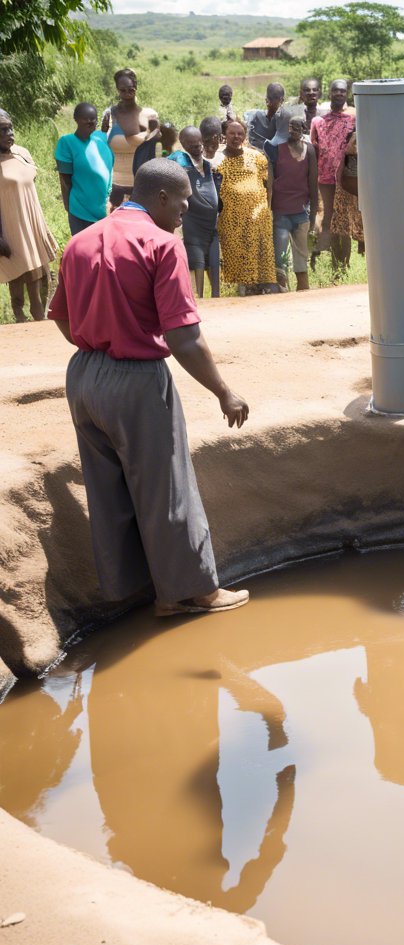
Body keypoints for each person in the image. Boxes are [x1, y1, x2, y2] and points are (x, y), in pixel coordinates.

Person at [47, 159, 249, 616]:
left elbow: (59, 315)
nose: (185, 211)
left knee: (109, 491)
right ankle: (191, 592)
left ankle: (134, 590)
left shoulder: (79, 241)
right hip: (136, 380)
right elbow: (183, 337)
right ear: (161, 197)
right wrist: (224, 391)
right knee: (167, 487)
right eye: (182, 202)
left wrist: (95, 346)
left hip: (82, 378)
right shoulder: (162, 244)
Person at [0, 109, 57, 322]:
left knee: (38, 269)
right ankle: (19, 317)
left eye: (10, 128)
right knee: (16, 269)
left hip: (31, 220)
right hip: (9, 223)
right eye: (2, 130)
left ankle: (39, 316)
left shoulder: (22, 153)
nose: (9, 133)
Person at [218, 119, 277, 295]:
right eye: (232, 133)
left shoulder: (257, 157)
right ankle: (242, 291)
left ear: (245, 135)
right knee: (236, 255)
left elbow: (269, 186)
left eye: (240, 133)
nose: (236, 137)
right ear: (224, 136)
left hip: (257, 216)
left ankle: (262, 287)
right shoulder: (218, 160)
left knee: (260, 251)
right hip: (231, 218)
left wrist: (267, 208)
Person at [167, 126, 222, 299]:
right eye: (191, 144)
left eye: (198, 142)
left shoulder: (208, 165)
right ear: (183, 144)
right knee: (197, 261)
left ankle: (216, 299)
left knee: (214, 263)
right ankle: (198, 299)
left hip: (211, 224)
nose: (196, 146)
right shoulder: (181, 160)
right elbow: (167, 162)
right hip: (193, 222)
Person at [266, 115, 318, 291]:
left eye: (296, 127)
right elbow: (270, 183)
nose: (292, 131)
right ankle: (282, 293)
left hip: (301, 211)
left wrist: (313, 213)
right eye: (289, 127)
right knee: (280, 256)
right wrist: (268, 209)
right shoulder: (276, 149)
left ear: (303, 129)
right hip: (280, 211)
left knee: (301, 254)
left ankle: (303, 291)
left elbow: (313, 182)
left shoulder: (309, 150)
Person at [309, 78, 355, 270]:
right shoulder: (319, 122)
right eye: (335, 91)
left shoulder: (354, 119)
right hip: (324, 179)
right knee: (325, 218)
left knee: (343, 220)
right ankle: (319, 261)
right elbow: (313, 150)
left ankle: (342, 265)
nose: (338, 94)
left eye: (342, 91)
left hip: (345, 178)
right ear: (329, 93)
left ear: (347, 94)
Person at [101, 68, 160, 208]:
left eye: (131, 90)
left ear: (136, 88)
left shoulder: (149, 115)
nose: (127, 94)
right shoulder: (109, 115)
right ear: (117, 90)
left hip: (142, 185)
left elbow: (157, 149)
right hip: (115, 187)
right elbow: (102, 147)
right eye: (123, 90)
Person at [55, 102, 114, 235]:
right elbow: (65, 181)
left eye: (93, 118)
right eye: (85, 118)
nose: (89, 121)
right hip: (81, 211)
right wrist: (69, 207)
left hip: (104, 211)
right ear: (76, 119)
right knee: (83, 251)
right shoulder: (67, 142)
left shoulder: (101, 139)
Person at [331, 131, 363, 260]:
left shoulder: (344, 154)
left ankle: (342, 262)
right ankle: (343, 261)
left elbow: (338, 176)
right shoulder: (364, 154)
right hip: (352, 193)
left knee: (342, 229)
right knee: (345, 229)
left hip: (347, 192)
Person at [245, 84, 286, 153]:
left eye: (276, 98)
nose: (272, 101)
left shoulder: (286, 120)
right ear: (266, 100)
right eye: (270, 98)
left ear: (282, 100)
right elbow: (251, 142)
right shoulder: (256, 117)